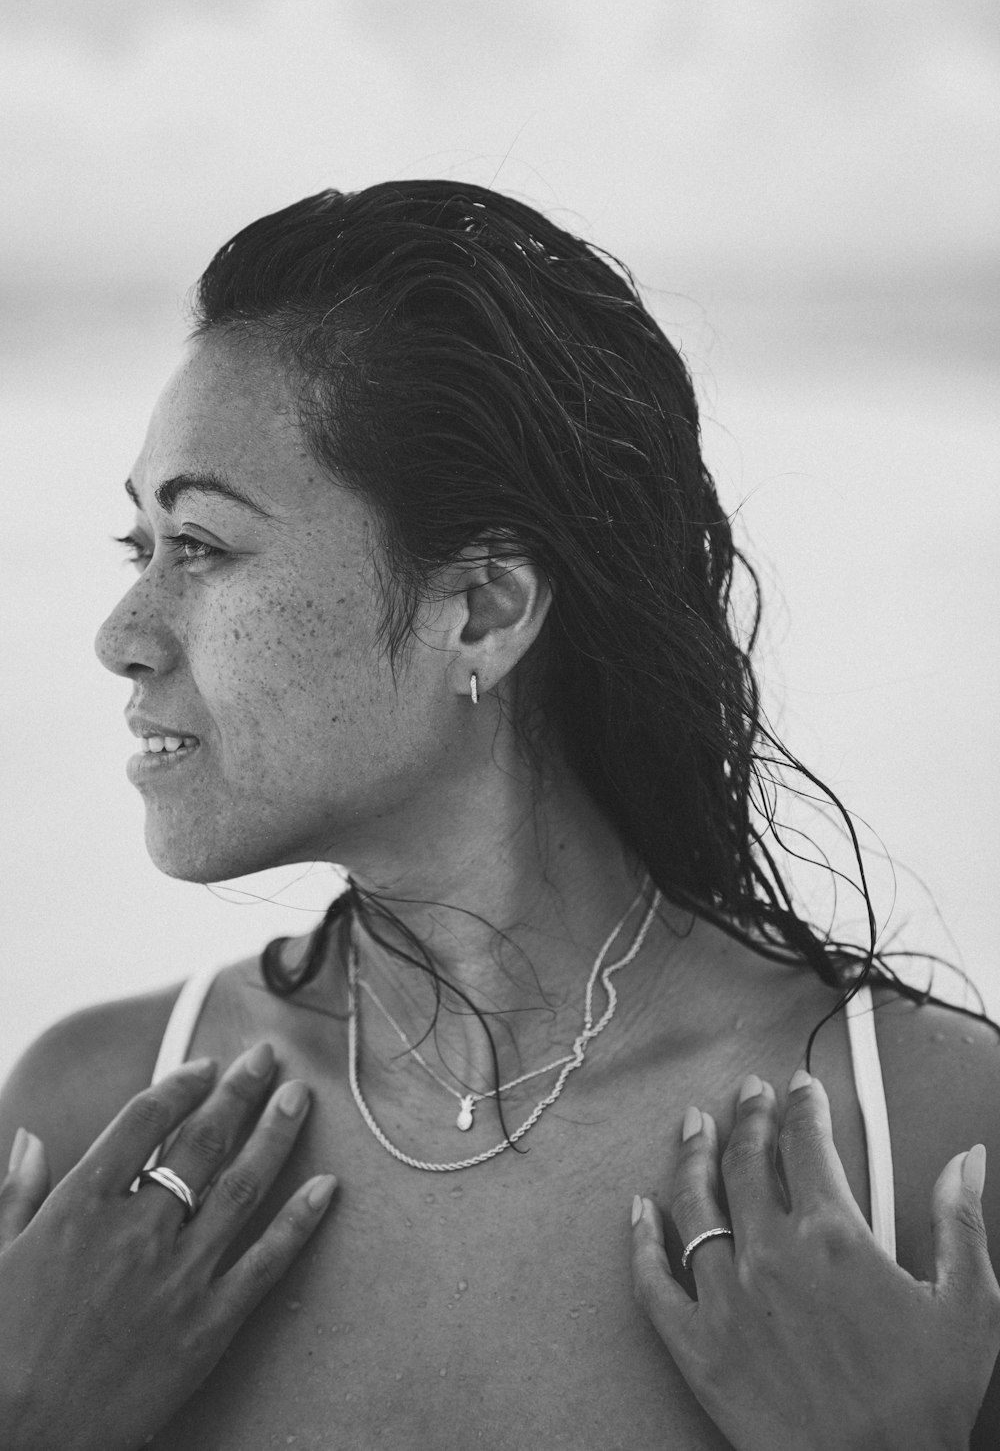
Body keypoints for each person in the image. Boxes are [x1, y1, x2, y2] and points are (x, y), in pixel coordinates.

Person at [1, 180, 998, 1450]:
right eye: (133, 546)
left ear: (479, 610)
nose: (122, 638)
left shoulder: (919, 1143)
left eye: (199, 545)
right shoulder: (99, 1132)